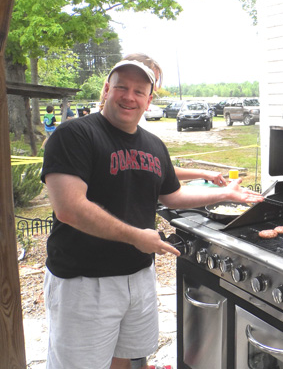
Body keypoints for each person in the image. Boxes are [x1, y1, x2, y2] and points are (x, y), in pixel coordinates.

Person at [41, 57, 263, 369]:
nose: (129, 96)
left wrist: (226, 193)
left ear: (149, 100)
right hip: (84, 282)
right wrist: (136, 236)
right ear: (106, 90)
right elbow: (69, 208)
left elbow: (172, 195)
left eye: (139, 91)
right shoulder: (75, 135)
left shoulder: (153, 145)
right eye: (121, 87)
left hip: (138, 276)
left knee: (127, 360)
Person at [100, 53, 228, 187]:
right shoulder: (93, 127)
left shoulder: (140, 124)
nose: (154, 88)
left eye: (153, 81)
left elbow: (158, 169)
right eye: (151, 79)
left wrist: (203, 173)